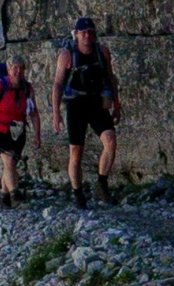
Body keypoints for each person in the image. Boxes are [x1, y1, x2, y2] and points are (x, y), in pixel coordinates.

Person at [52, 17, 123, 209]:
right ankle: (78, 193)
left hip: (96, 102)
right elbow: (58, 84)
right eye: (83, 32)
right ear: (76, 35)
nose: (87, 36)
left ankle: (102, 184)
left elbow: (110, 77)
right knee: (76, 152)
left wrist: (116, 104)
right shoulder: (67, 55)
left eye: (90, 32)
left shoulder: (102, 52)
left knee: (110, 141)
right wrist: (56, 112)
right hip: (76, 105)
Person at [0, 56, 42, 208]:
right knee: (8, 161)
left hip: (17, 131)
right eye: (14, 68)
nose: (18, 71)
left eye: (21, 68)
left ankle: (4, 197)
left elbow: (33, 113)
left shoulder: (27, 89)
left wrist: (37, 135)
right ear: (8, 70)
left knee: (11, 164)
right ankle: (16, 195)